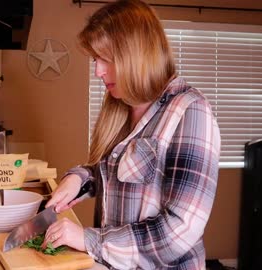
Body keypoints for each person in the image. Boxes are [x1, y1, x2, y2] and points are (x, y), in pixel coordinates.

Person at [42, 0, 221, 269]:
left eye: (106, 58)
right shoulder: (121, 104)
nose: (97, 71)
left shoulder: (190, 111)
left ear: (136, 53)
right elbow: (113, 173)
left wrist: (89, 239)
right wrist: (77, 179)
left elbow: (179, 231)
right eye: (95, 59)